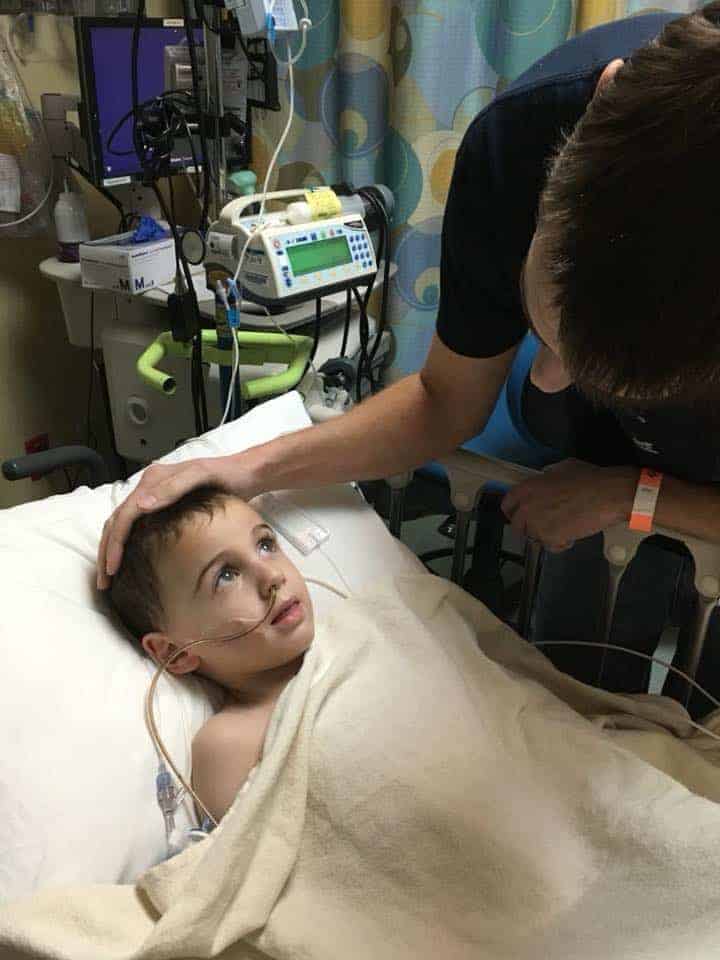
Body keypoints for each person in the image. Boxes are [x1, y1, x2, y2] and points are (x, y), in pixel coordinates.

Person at [99, 5, 720, 717]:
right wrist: (246, 467)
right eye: (544, 336)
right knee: (578, 686)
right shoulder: (521, 143)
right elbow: (446, 402)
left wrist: (637, 495)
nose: (545, 379)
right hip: (593, 472)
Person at [109, 485, 315, 825]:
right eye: (226, 575)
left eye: (265, 544)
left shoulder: (359, 627)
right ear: (173, 653)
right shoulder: (231, 744)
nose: (273, 576)